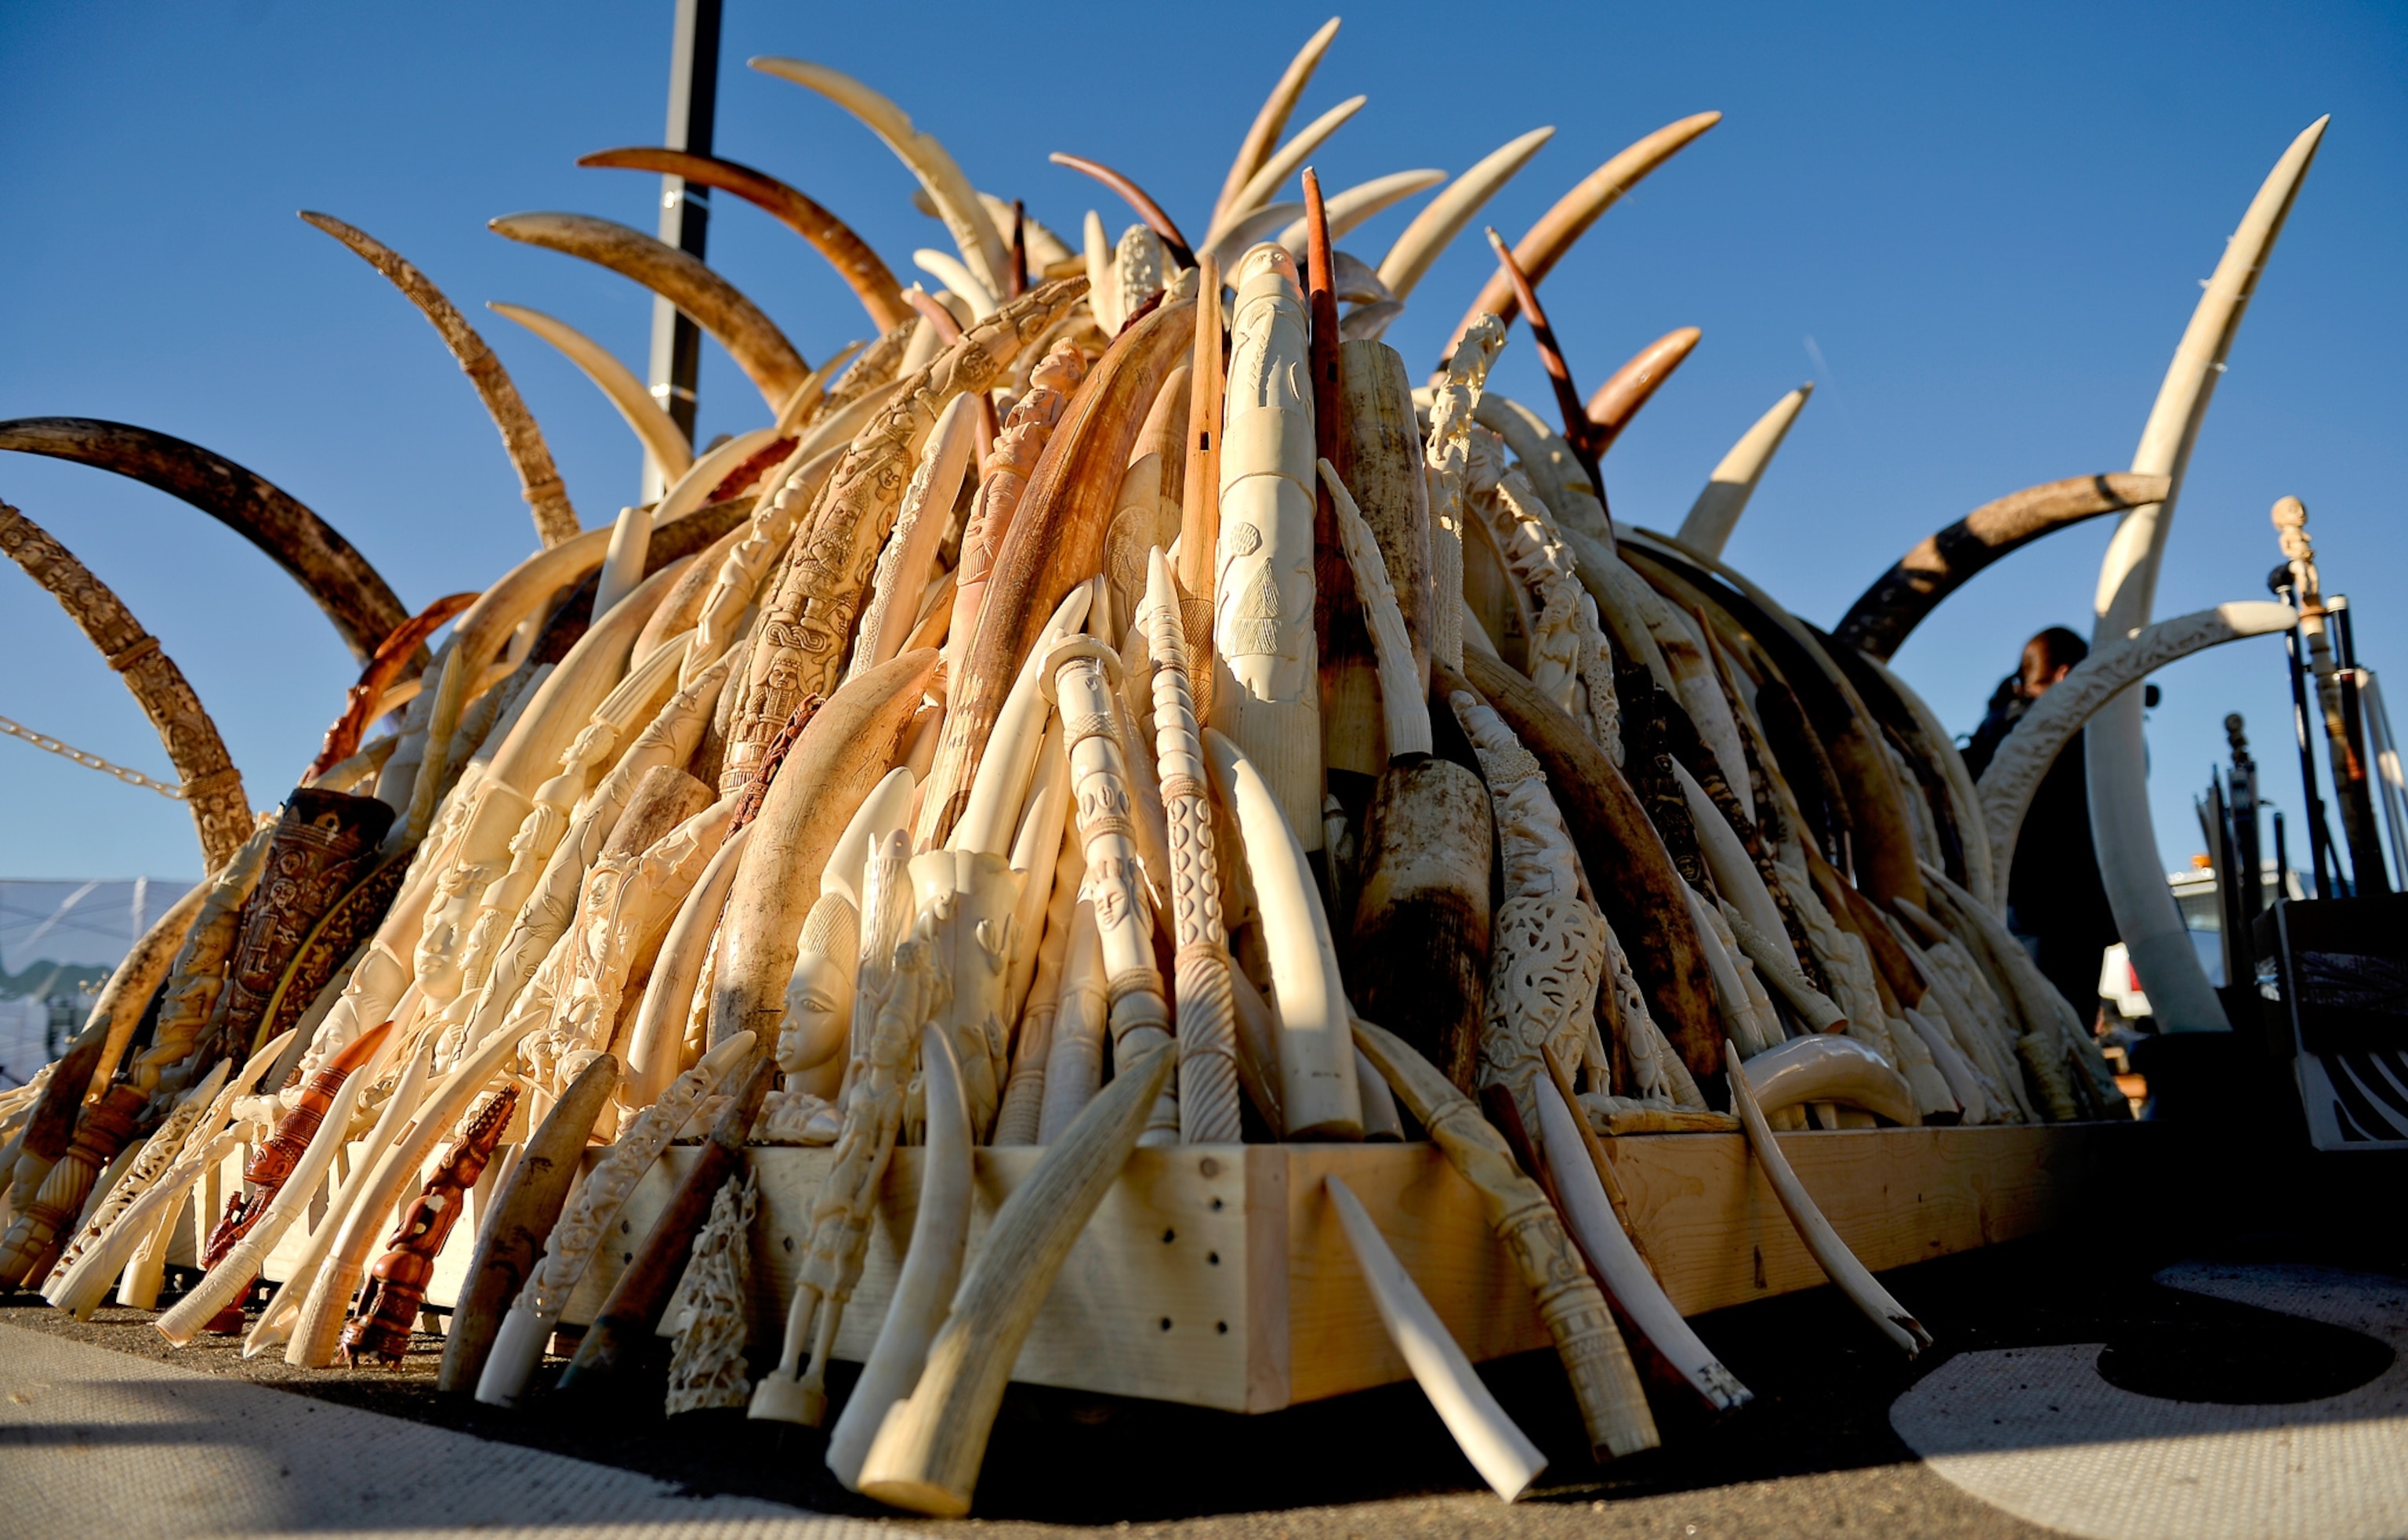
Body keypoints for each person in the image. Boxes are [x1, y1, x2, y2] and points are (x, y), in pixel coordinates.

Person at [1960, 628, 2123, 1020]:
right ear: (2068, 676)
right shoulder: (2068, 737)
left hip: (2008, 909)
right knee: (2061, 1029)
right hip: (2062, 912)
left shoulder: (1992, 732)